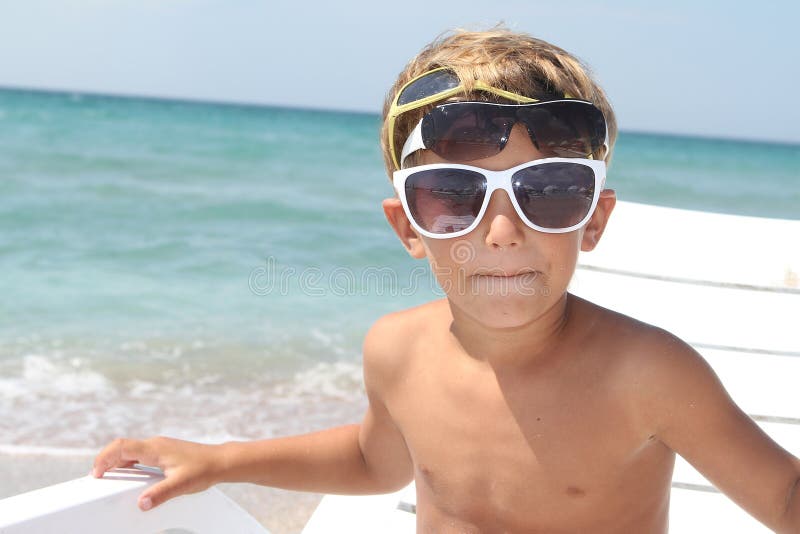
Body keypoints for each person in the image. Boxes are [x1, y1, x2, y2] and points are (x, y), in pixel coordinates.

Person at [93, 27, 800, 532]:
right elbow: (376, 461)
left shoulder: (646, 374)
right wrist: (222, 461)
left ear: (592, 219)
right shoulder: (397, 352)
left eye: (549, 189)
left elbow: (785, 498)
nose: (501, 232)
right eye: (455, 195)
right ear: (409, 227)